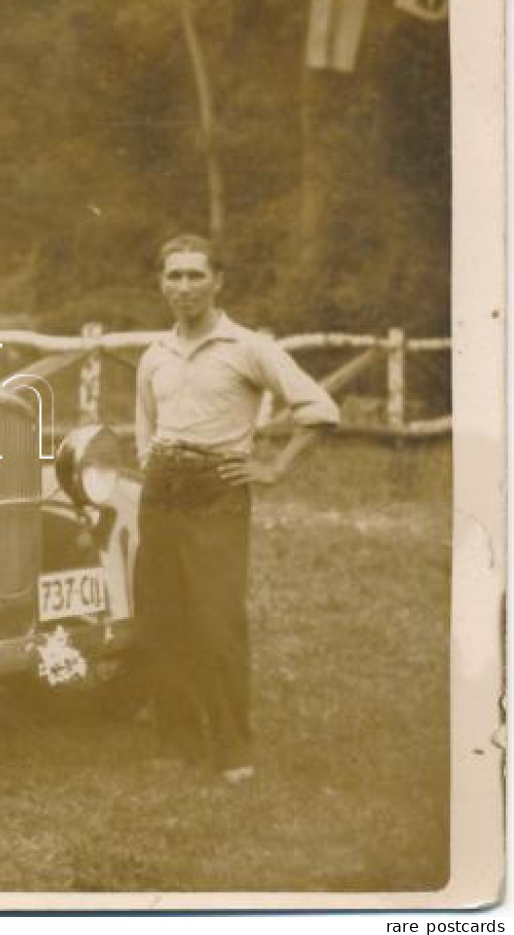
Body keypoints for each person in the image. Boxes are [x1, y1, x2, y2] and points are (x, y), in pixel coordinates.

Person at [134, 234, 339, 784]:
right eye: (173, 276)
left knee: (216, 620)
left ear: (218, 281)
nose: (183, 287)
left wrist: (272, 469)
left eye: (195, 275)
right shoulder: (154, 354)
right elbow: (146, 426)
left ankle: (231, 749)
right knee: (161, 616)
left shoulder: (248, 347)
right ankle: (173, 742)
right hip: (160, 492)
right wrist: (152, 471)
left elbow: (319, 409)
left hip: (216, 491)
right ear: (161, 283)